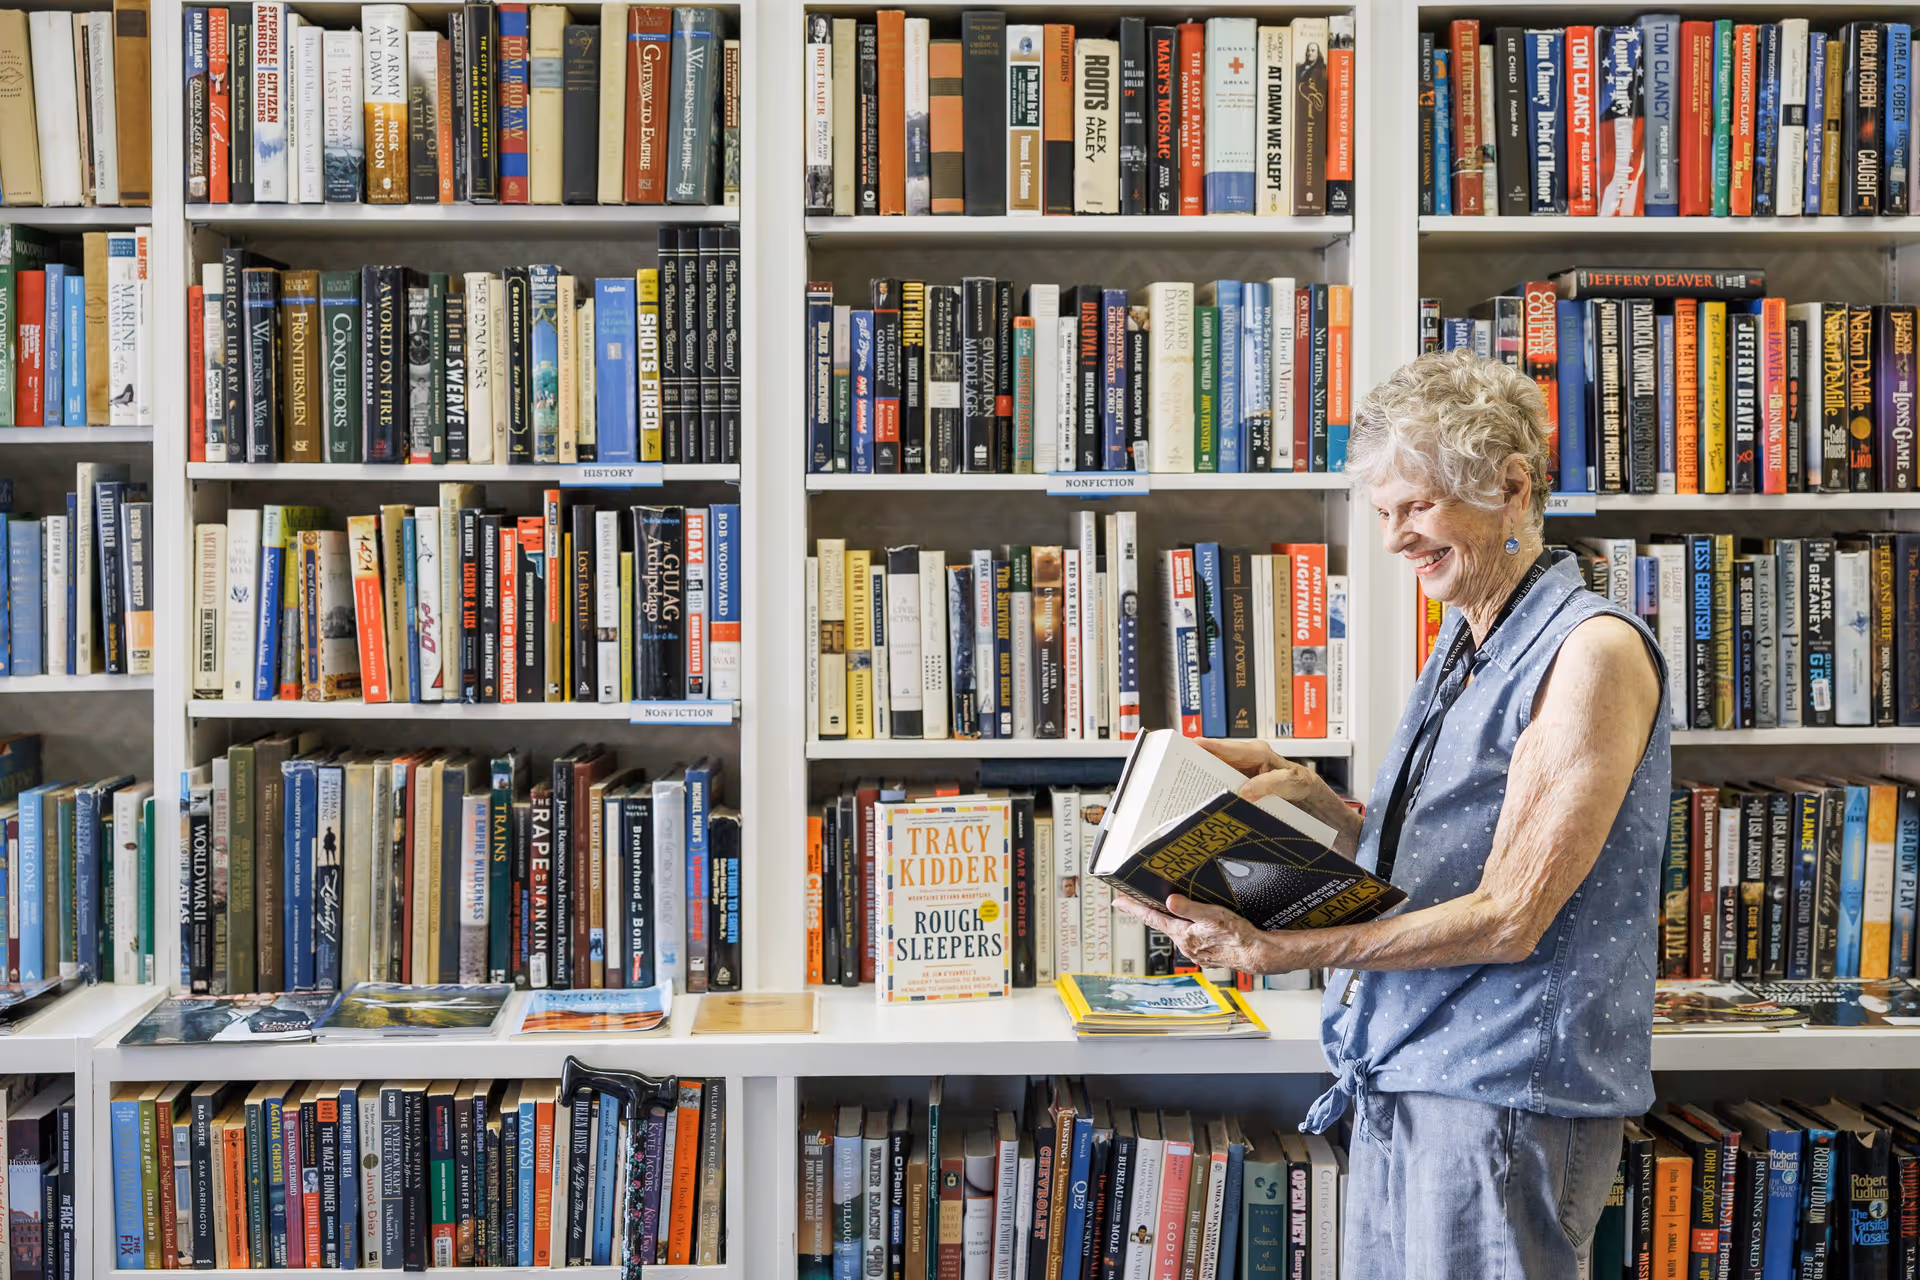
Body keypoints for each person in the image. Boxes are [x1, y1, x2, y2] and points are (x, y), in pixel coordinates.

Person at [1117, 351, 1667, 1279]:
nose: (1393, 540)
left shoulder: (1590, 653)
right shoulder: (1469, 639)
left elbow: (1509, 916)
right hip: (1404, 1073)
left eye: (1414, 507)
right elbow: (1446, 851)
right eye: (1381, 514)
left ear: (1511, 486)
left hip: (1499, 1095)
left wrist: (1284, 953)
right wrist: (1312, 798)